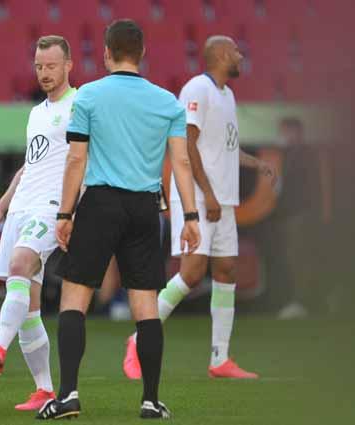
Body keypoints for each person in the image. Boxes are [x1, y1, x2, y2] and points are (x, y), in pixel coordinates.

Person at [36, 19, 201, 420]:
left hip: (100, 204)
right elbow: (180, 161)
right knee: (145, 306)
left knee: (75, 299)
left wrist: (64, 212)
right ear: (142, 53)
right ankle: (150, 400)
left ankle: (68, 396)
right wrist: (191, 216)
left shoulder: (88, 96)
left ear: (106, 53)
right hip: (146, 208)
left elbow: (77, 158)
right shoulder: (167, 102)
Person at [122, 35, 278, 381]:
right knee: (192, 273)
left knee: (226, 270)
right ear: (222, 55)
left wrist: (256, 164)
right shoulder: (197, 89)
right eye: (236, 50)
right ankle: (136, 338)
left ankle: (220, 358)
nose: (240, 55)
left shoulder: (227, 94)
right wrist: (205, 193)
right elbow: (187, 142)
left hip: (222, 198)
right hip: (196, 196)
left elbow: (224, 148)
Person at [0, 35, 75, 411]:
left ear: (68, 65)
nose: (45, 73)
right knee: (29, 305)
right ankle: (45, 390)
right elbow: (30, 165)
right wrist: (2, 206)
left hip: (50, 208)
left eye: (51, 66)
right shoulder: (36, 112)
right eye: (39, 67)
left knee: (20, 264)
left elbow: (84, 160)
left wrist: (71, 210)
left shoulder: (79, 105)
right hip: (21, 207)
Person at [272, 117, 333, 319]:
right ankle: (308, 300)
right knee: (296, 258)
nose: (283, 136)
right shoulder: (288, 155)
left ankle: (304, 301)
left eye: (285, 132)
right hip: (292, 215)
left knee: (301, 258)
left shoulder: (307, 155)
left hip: (302, 215)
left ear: (295, 132)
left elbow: (313, 188)